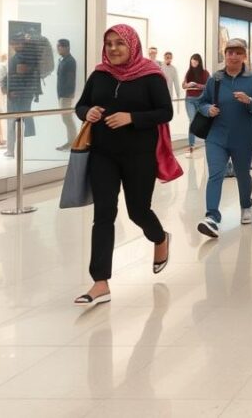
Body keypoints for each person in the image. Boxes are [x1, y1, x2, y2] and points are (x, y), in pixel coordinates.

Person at [72, 24, 172, 307]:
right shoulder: (99, 74)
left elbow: (165, 111)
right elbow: (81, 105)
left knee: (138, 211)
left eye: (120, 43)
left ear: (132, 45)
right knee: (104, 214)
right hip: (103, 155)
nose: (113, 48)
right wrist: (87, 112)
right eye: (109, 43)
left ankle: (160, 238)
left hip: (139, 155)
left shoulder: (151, 75)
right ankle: (100, 282)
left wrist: (132, 118)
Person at [196, 39, 252, 239]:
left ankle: (246, 205)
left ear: (244, 56)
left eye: (238, 52)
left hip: (243, 138)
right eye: (230, 52)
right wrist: (207, 109)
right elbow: (202, 102)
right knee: (215, 174)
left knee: (243, 175)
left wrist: (249, 101)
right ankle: (212, 217)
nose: (233, 56)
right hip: (216, 137)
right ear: (225, 55)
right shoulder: (215, 79)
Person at [4, 33, 40, 158]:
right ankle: (28, 148)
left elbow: (19, 75)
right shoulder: (25, 56)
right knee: (25, 119)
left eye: (15, 43)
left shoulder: (21, 57)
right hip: (23, 93)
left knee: (19, 121)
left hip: (19, 94)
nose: (14, 46)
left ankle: (21, 150)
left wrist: (12, 90)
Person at [182, 54, 210, 157]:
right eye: (192, 62)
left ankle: (209, 141)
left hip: (201, 100)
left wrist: (196, 85)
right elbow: (183, 85)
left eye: (195, 62)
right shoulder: (188, 72)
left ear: (199, 62)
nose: (193, 63)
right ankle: (191, 145)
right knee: (192, 120)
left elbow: (209, 86)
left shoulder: (205, 73)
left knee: (205, 120)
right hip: (189, 100)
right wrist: (187, 85)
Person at [53, 39, 78, 151]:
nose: (58, 48)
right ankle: (71, 142)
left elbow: (71, 79)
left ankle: (72, 143)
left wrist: (69, 94)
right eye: (57, 46)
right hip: (61, 94)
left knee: (67, 119)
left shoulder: (70, 61)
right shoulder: (63, 60)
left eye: (60, 46)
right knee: (66, 119)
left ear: (66, 47)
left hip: (66, 95)